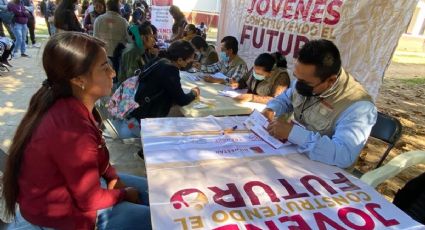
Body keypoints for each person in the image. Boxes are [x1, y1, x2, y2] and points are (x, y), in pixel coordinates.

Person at [2, 32, 151, 229]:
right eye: (104, 67)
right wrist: (124, 194)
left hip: (77, 191)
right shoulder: (71, 128)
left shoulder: (74, 106)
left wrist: (113, 178)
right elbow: (89, 200)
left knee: (154, 191)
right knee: (155, 218)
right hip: (61, 215)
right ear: (79, 79)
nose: (113, 73)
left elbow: (99, 158)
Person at [263, 39, 377, 168]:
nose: (298, 84)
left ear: (331, 80)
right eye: (297, 77)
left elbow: (344, 155)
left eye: (306, 83)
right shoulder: (306, 78)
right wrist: (271, 109)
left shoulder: (359, 107)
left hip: (323, 169)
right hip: (293, 154)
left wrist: (293, 133)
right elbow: (286, 99)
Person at [112, 40, 200, 138]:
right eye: (190, 59)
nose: (191, 62)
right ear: (179, 60)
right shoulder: (170, 70)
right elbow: (182, 100)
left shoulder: (159, 60)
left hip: (132, 111)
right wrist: (194, 93)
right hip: (140, 122)